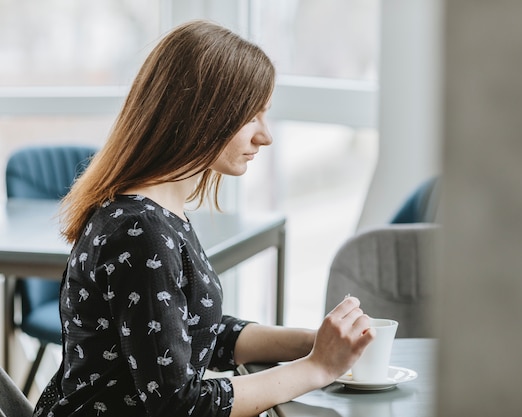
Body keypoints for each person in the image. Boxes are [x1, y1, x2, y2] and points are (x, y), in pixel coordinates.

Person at [33, 19, 374, 417]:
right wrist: (317, 368)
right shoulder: (141, 231)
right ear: (202, 114)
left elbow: (197, 330)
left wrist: (312, 342)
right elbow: (178, 405)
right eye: (252, 116)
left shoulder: (154, 213)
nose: (265, 136)